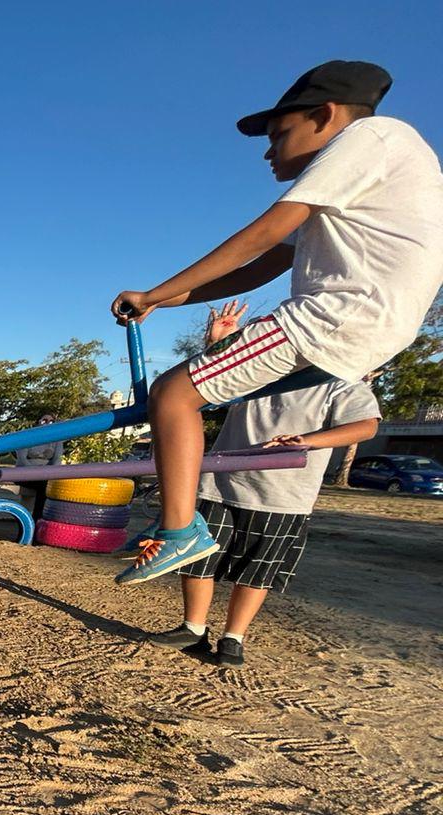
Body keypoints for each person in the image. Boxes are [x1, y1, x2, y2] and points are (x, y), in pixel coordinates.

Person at [110, 60, 443, 585]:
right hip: (364, 330)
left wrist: (155, 290)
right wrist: (164, 301)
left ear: (325, 115)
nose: (269, 153)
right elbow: (261, 268)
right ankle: (176, 518)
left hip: (333, 316)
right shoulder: (354, 186)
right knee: (190, 397)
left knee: (172, 395)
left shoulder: (370, 137)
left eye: (279, 135)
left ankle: (180, 529)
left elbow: (263, 234)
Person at [145, 302, 380, 666]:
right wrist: (218, 346)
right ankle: (193, 628)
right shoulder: (258, 369)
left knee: (257, 568)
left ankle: (233, 638)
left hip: (282, 494)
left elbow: (366, 426)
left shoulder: (340, 381)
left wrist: (308, 441)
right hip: (219, 483)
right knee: (198, 557)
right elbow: (195, 390)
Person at [14, 416, 63, 519]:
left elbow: (57, 460)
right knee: (44, 486)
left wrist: (48, 473)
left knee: (49, 486)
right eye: (44, 420)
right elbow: (22, 460)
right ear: (38, 421)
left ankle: (40, 519)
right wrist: (35, 473)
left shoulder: (57, 439)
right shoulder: (28, 436)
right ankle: (35, 520)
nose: (47, 423)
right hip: (25, 474)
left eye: (51, 421)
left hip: (46, 476)